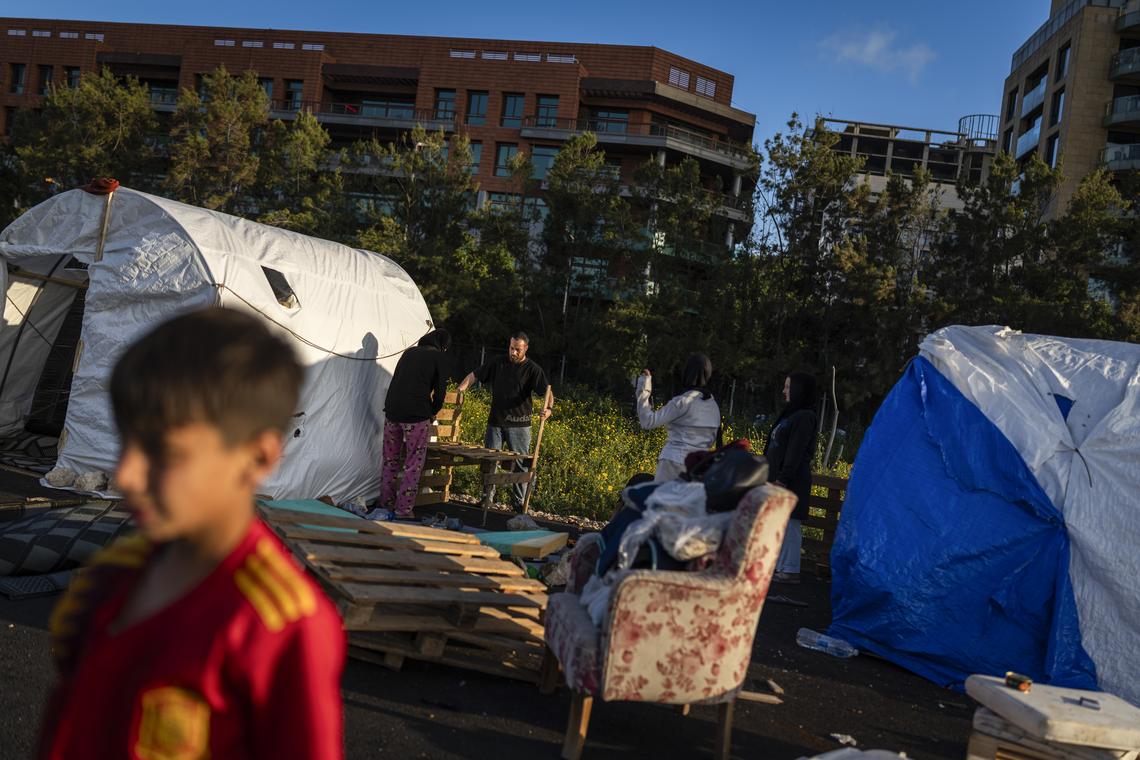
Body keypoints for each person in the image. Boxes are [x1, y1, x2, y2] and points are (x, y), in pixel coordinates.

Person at [38, 308, 345, 760]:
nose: (126, 474)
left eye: (165, 453)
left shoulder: (277, 627)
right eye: (126, 442)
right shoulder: (107, 582)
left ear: (257, 457)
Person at [457, 331, 553, 510]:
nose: (513, 353)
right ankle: (487, 498)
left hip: (520, 425)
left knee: (520, 465)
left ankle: (518, 503)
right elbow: (474, 375)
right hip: (495, 422)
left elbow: (548, 392)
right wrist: (459, 391)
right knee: (490, 461)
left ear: (526, 349)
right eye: (511, 348)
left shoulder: (532, 369)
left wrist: (548, 410)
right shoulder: (497, 362)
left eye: (518, 350)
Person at [381, 328, 451, 518]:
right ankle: (403, 509)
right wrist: (432, 412)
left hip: (392, 412)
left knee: (390, 461)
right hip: (416, 415)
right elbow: (440, 392)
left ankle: (385, 506)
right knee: (413, 462)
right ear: (443, 346)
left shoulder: (409, 352)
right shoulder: (439, 358)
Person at [765, 371, 819, 585]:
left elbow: (795, 451)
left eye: (788, 387)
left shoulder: (805, 417)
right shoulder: (791, 414)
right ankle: (780, 566)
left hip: (791, 479)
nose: (784, 391)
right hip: (779, 477)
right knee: (779, 524)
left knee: (790, 524)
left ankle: (790, 569)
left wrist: (782, 478)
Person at [635, 353, 721, 482]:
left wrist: (644, 386)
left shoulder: (683, 401)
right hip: (699, 469)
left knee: (660, 501)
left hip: (673, 463)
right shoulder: (713, 405)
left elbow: (648, 422)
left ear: (687, 372)